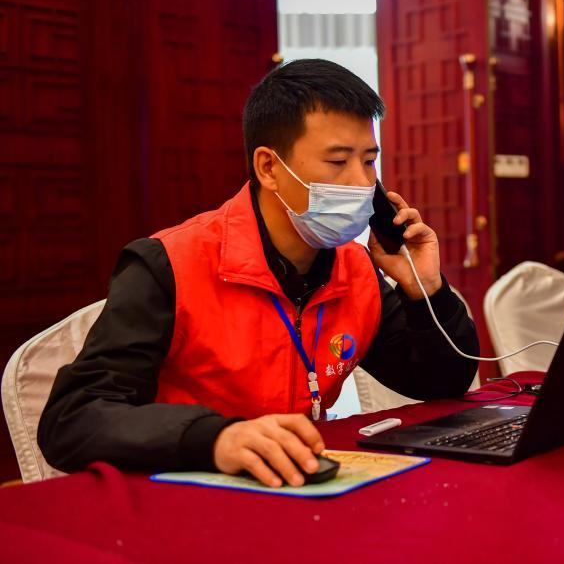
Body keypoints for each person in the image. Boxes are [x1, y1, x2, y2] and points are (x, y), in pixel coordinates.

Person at [38, 59, 479, 487]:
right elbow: (72, 418)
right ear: (269, 167)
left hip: (296, 487)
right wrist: (215, 438)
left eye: (368, 161)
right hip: (186, 492)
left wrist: (425, 287)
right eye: (337, 162)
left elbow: (441, 383)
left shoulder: (355, 268)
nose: (362, 184)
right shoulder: (168, 264)